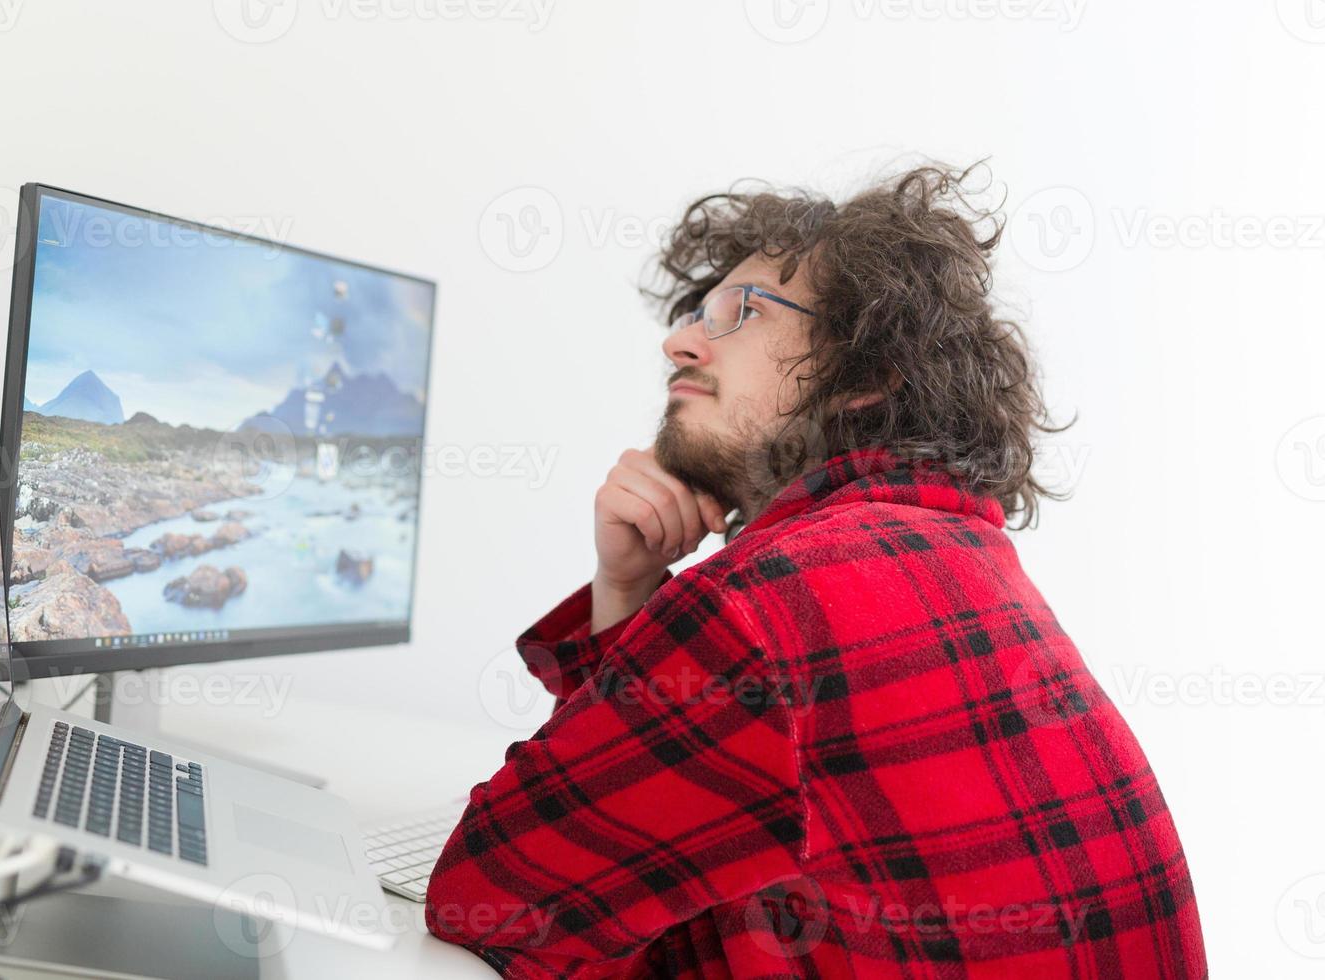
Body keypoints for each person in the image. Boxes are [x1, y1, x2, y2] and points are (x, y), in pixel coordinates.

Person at [424, 164, 1207, 978]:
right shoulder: (944, 551)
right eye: (697, 312)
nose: (680, 341)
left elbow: (493, 893)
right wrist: (628, 589)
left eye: (745, 311)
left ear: (868, 374)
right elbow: (645, 838)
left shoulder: (774, 599)